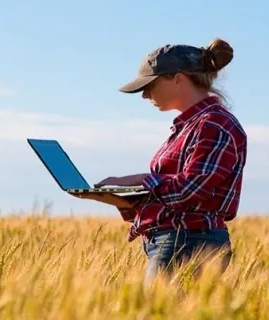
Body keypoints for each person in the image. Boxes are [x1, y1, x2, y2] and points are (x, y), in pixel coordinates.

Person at [82, 38, 247, 286]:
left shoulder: (213, 124)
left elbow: (189, 190)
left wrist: (138, 180)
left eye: (150, 85)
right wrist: (125, 200)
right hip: (178, 240)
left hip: (188, 242)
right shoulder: (191, 126)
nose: (145, 95)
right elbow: (177, 196)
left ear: (177, 78)